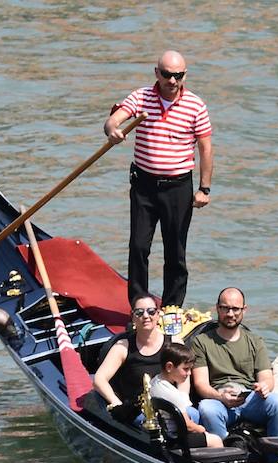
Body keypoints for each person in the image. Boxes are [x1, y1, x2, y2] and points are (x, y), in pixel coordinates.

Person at [103, 50, 213, 309]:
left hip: (178, 188)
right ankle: (139, 304)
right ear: (157, 73)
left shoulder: (196, 106)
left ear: (184, 75)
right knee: (139, 247)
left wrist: (204, 189)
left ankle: (172, 308)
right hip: (144, 186)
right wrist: (112, 130)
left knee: (175, 252)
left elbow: (205, 148)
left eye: (177, 75)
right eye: (166, 74)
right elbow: (113, 120)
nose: (172, 81)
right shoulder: (141, 97)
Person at [190, 287, 278, 439]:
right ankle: (223, 454)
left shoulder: (255, 341)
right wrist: (220, 396)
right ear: (217, 308)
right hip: (219, 399)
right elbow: (200, 384)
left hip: (250, 398)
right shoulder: (201, 342)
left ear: (244, 310)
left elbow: (267, 378)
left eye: (235, 309)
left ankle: (277, 456)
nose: (230, 314)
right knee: (206, 409)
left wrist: (264, 387)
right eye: (225, 308)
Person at [93, 296, 168, 423]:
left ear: (158, 314)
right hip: (138, 411)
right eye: (139, 312)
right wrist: (116, 403)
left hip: (170, 405)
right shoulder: (122, 347)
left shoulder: (174, 343)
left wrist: (182, 401)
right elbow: (99, 379)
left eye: (151, 311)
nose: (145, 316)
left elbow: (185, 376)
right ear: (133, 317)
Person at [148, 340, 224, 447]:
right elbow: (188, 425)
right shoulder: (172, 394)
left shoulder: (155, 382)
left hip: (165, 432)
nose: (189, 373)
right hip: (175, 438)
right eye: (185, 369)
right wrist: (202, 430)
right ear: (169, 367)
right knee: (215, 440)